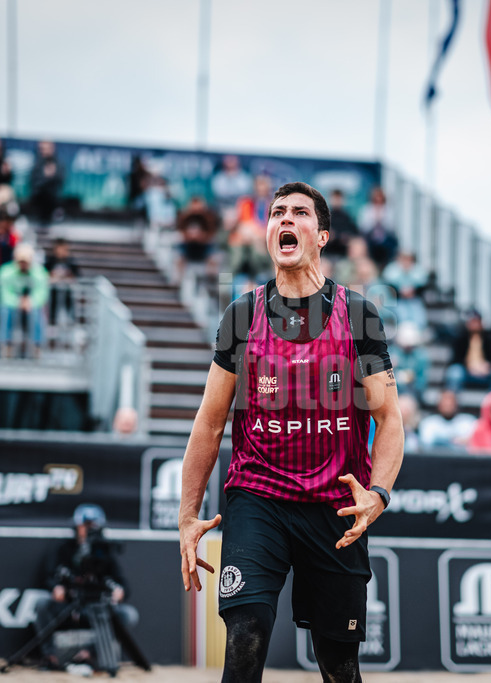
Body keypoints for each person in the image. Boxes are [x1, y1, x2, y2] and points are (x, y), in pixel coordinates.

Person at [178, 181, 404, 683]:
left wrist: (380, 493)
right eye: (276, 212)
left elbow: (389, 419)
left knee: (339, 663)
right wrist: (187, 516)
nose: (285, 219)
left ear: (321, 235)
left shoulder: (359, 315)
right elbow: (210, 421)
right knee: (246, 635)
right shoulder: (242, 315)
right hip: (259, 496)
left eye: (299, 213)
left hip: (335, 504)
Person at [32, 504, 139, 671]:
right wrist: (57, 588)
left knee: (128, 615)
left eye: (92, 526)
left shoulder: (105, 552)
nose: (88, 530)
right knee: (42, 603)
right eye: (85, 526)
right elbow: (47, 576)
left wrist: (120, 592)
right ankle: (50, 656)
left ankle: (89, 654)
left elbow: (123, 584)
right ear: (76, 527)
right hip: (69, 606)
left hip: (97, 608)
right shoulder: (63, 548)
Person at [0, 243, 49, 357]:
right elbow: (4, 294)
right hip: (12, 305)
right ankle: (6, 345)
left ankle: (37, 346)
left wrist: (30, 302)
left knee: (37, 312)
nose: (23, 264)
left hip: (31, 305)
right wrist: (18, 302)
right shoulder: (6, 271)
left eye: (26, 261)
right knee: (5, 311)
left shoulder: (39, 273)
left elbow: (42, 294)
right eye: (21, 261)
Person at [445, 308, 491, 393]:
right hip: (466, 372)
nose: (475, 324)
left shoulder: (489, 340)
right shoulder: (460, 339)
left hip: (485, 373)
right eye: (472, 322)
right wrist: (469, 366)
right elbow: (455, 359)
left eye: (477, 321)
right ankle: (451, 402)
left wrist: (487, 366)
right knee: (454, 372)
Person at [29, 139, 65, 226]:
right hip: (39, 198)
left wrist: (51, 176)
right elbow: (34, 183)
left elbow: (61, 181)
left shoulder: (58, 164)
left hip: (53, 199)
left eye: (46, 148)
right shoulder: (36, 164)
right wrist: (46, 177)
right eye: (42, 148)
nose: (44, 151)